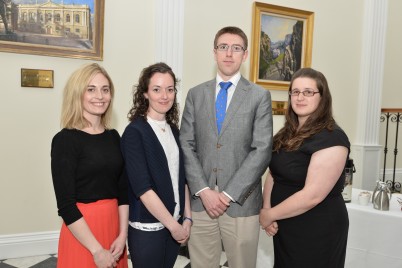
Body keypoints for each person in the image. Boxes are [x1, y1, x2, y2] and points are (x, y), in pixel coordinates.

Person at [180, 26, 273, 268]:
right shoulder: (195, 94)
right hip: (202, 203)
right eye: (223, 47)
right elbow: (186, 144)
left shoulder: (259, 96)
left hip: (241, 204)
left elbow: (262, 149)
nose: (229, 53)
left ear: (245, 55)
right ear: (214, 53)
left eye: (236, 48)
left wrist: (228, 194)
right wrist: (203, 189)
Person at [259, 67, 350, 267]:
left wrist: (270, 215)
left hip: (317, 227)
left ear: (322, 98)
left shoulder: (332, 137)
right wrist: (267, 208)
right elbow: (274, 173)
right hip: (286, 223)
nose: (300, 97)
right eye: (295, 92)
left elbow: (312, 195)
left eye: (308, 92)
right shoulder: (285, 133)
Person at [51, 63, 129, 268]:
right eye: (91, 89)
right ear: (78, 94)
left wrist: (122, 235)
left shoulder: (113, 137)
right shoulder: (65, 140)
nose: (100, 96)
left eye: (105, 89)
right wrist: (96, 250)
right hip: (83, 234)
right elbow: (66, 205)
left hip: (114, 230)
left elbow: (123, 191)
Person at [121, 62, 192, 268]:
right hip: (148, 228)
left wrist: (187, 218)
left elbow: (183, 179)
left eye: (170, 90)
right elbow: (142, 189)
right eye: (157, 89)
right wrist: (173, 226)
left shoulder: (174, 131)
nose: (164, 96)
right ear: (145, 94)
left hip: (175, 225)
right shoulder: (135, 133)